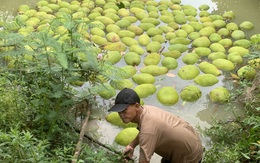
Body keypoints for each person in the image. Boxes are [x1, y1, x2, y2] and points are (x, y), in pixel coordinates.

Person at [108, 88, 203, 163]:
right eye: (119, 111)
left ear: (136, 106)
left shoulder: (148, 128)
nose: (121, 115)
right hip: (188, 145)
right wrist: (131, 145)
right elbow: (144, 131)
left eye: (124, 110)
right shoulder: (145, 110)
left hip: (189, 156)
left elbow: (144, 161)